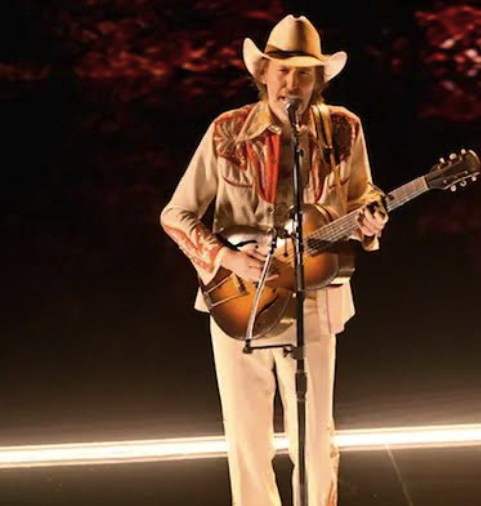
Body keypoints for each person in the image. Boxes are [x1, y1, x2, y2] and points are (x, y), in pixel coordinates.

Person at [160, 14, 388, 506]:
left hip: (315, 300)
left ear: (318, 80)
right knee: (247, 440)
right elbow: (175, 215)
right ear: (262, 73)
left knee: (314, 438)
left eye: (304, 72)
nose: (292, 82)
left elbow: (360, 195)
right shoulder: (227, 132)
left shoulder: (344, 128)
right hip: (239, 303)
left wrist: (369, 221)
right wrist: (227, 258)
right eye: (282, 70)